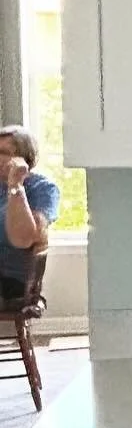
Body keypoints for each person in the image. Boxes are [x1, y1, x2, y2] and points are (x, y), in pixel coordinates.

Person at [0, 124, 61, 305]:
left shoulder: (42, 189)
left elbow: (23, 239)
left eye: (3, 152)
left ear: (23, 157)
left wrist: (16, 185)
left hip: (11, 282)